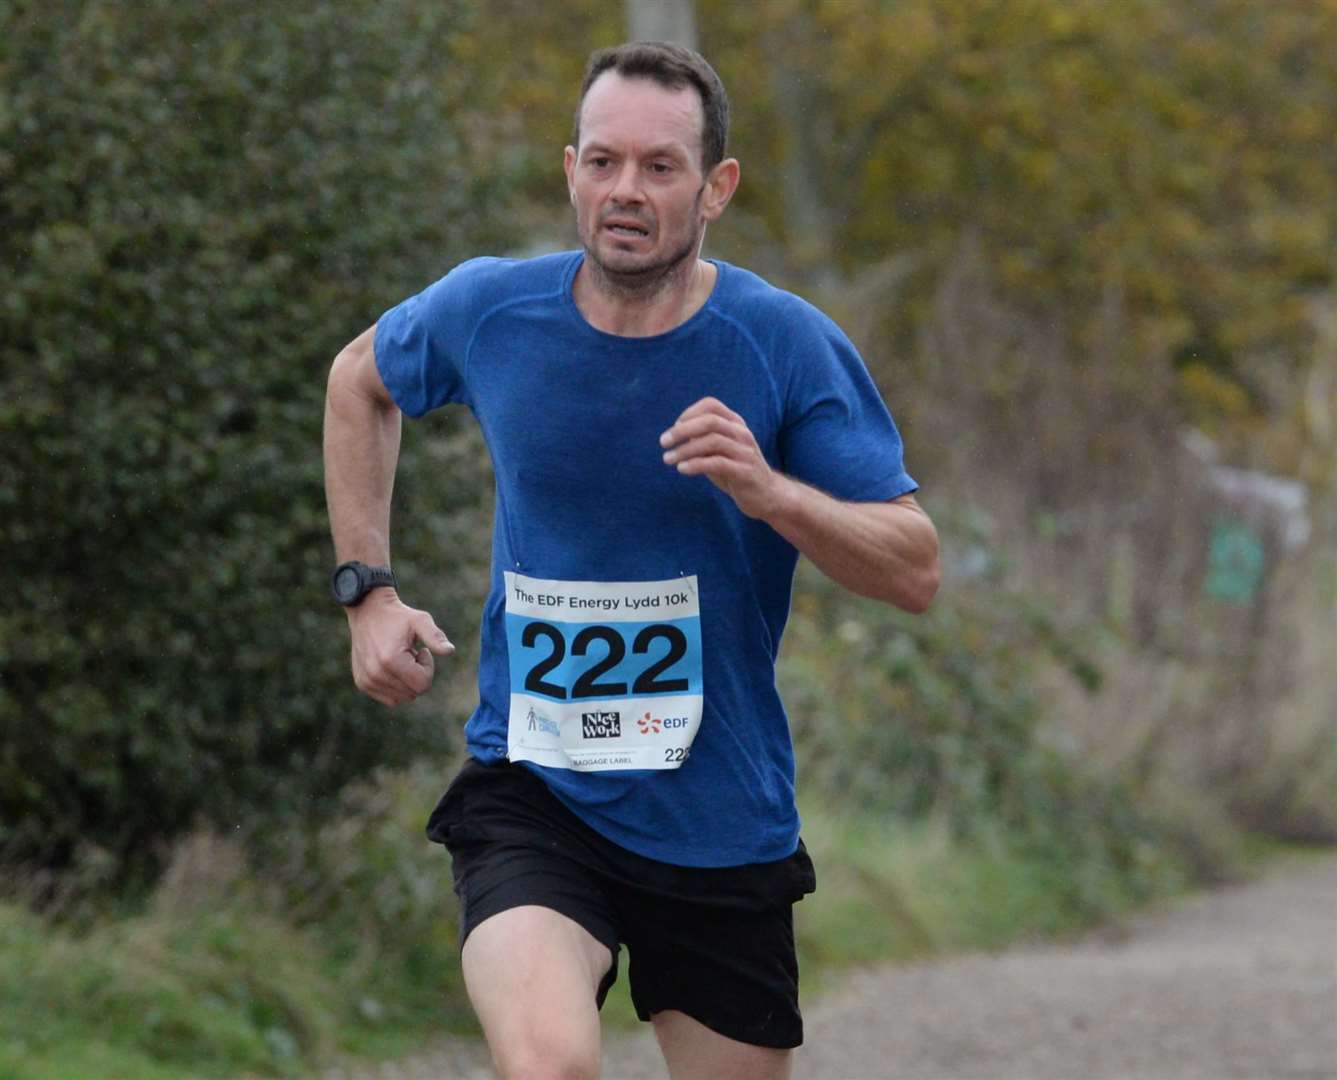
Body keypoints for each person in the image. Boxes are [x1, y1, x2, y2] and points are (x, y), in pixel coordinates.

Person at [324, 40, 939, 1080]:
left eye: (659, 167)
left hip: (715, 815)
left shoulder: (781, 346)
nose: (625, 190)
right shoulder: (493, 311)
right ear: (569, 171)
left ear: (715, 188)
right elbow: (357, 381)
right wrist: (366, 593)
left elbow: (913, 566)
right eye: (603, 162)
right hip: (536, 790)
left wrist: (770, 491)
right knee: (551, 1064)